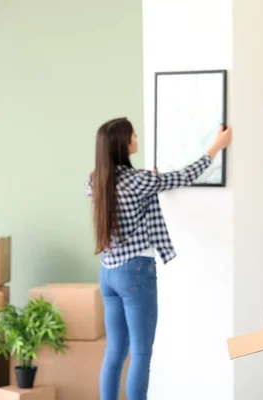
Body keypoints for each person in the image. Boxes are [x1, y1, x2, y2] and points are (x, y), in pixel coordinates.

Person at [85, 117, 232, 400]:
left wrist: (147, 177)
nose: (136, 138)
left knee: (115, 352)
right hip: (135, 273)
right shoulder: (139, 181)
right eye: (133, 135)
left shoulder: (94, 181)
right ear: (123, 144)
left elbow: (126, 188)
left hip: (108, 273)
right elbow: (184, 176)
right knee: (141, 351)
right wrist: (216, 147)